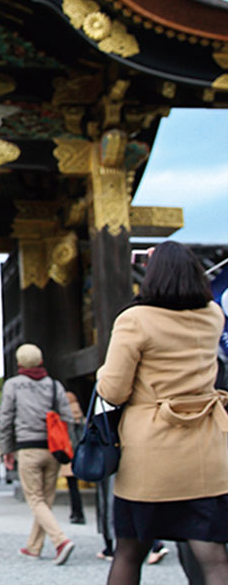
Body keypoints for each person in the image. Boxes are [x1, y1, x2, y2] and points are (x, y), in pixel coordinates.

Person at [96, 241, 228, 585]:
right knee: (213, 553)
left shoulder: (135, 320)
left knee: (130, 550)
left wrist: (101, 373)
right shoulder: (212, 315)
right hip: (206, 446)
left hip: (151, 450)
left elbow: (113, 390)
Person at [0, 343, 75, 565]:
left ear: (19, 363)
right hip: (52, 448)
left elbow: (5, 419)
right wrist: (66, 443)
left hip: (28, 447)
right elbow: (68, 417)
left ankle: (60, 541)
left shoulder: (13, 385)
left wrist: (7, 449)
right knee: (45, 500)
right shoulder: (54, 385)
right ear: (41, 361)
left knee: (35, 499)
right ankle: (34, 547)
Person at [59, 390, 86, 525]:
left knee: (73, 486)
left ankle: (77, 512)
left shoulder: (66, 414)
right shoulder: (80, 413)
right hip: (82, 450)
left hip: (71, 450)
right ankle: (77, 513)